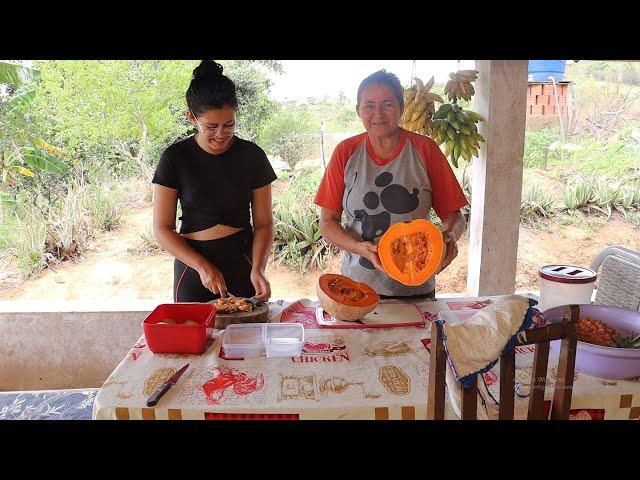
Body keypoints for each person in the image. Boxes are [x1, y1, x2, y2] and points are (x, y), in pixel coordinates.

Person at [314, 69, 468, 299]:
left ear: (401, 109)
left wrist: (450, 236)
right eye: (369, 105)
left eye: (387, 104)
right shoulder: (346, 152)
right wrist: (358, 247)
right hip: (358, 288)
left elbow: (455, 216)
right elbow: (327, 223)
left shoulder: (425, 150)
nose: (378, 113)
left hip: (416, 288)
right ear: (358, 110)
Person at [152, 60, 277, 303]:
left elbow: (264, 224)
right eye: (211, 126)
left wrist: (258, 268)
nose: (221, 134)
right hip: (193, 266)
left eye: (229, 124)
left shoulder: (252, 156)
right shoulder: (175, 158)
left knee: (248, 338)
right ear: (191, 118)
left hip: (243, 263)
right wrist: (201, 266)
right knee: (195, 339)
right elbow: (162, 228)